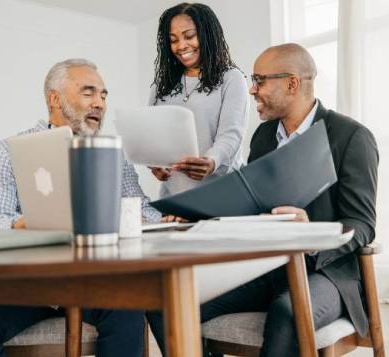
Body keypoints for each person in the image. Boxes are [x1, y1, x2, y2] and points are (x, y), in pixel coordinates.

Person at [147, 43, 378, 357]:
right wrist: (195, 214)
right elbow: (250, 203)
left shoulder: (351, 137)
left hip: (325, 274)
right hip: (265, 270)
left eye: (259, 80)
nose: (252, 90)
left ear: (292, 83)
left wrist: (311, 232)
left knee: (287, 312)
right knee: (165, 303)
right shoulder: (264, 136)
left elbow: (362, 225)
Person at [0, 58, 161, 357]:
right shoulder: (8, 150)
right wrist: (36, 222)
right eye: (88, 92)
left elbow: (138, 209)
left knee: (129, 308)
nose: (99, 103)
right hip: (28, 285)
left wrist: (170, 218)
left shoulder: (113, 155)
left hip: (96, 280)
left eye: (104, 95)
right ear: (54, 99)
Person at [149, 2, 249, 198]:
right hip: (175, 197)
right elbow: (152, 137)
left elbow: (231, 134)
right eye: (173, 40)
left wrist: (211, 161)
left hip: (223, 193)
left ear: (207, 35)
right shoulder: (161, 86)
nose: (181, 46)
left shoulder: (231, 78)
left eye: (189, 36)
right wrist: (155, 163)